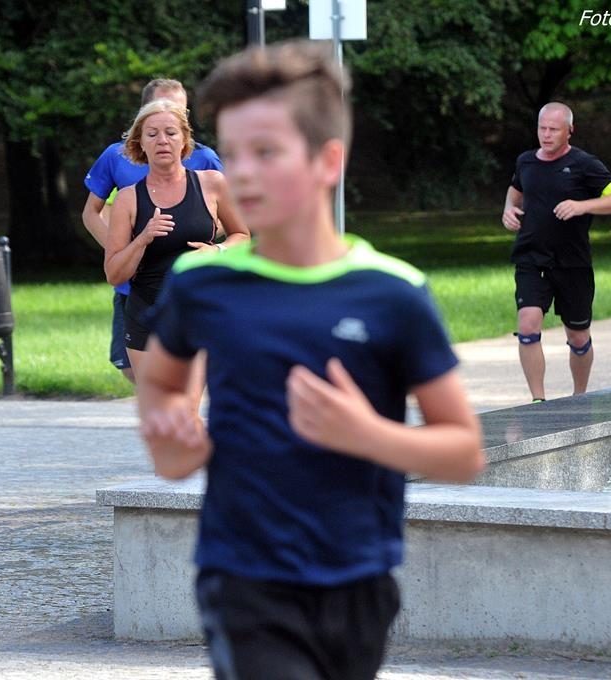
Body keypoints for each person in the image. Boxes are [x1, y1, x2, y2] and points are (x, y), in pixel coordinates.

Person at [137, 41, 486, 680]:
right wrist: (171, 438)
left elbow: (464, 452)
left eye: (266, 152)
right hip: (242, 574)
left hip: (359, 577)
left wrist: (368, 435)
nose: (243, 173)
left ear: (328, 161)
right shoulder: (202, 284)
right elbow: (160, 384)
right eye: (234, 153)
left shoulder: (392, 293)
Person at [83, 79, 224, 384]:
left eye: (178, 112)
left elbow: (223, 216)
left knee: (185, 390)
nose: (164, 134)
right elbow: (91, 213)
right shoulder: (116, 158)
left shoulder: (206, 161)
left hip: (191, 293)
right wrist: (123, 250)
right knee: (134, 372)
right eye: (154, 127)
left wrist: (212, 244)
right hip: (137, 287)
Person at [103, 98, 247, 391]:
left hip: (197, 310)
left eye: (170, 132)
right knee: (159, 409)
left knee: (187, 408)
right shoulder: (128, 199)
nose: (162, 141)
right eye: (152, 134)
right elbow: (114, 274)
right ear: (140, 143)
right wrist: (143, 238)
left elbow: (242, 237)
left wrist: (217, 250)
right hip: (146, 314)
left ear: (184, 140)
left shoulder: (213, 183)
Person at [501, 102, 611, 402]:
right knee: (528, 323)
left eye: (553, 129)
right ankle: (538, 401)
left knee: (578, 335)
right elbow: (515, 189)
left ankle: (579, 397)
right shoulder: (526, 161)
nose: (546, 135)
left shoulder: (585, 164)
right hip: (531, 258)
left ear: (569, 131)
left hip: (573, 263)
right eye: (542, 128)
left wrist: (582, 205)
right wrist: (508, 209)